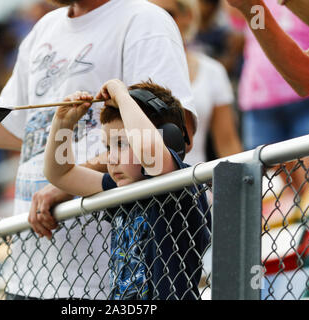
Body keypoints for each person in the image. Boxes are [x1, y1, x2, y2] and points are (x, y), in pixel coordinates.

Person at [0, 0, 198, 299]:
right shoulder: (43, 29)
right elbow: (12, 126)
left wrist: (69, 183)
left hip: (105, 280)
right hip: (29, 269)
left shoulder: (144, 20)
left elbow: (173, 134)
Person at [42, 79, 210, 299]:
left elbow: (151, 153)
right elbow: (59, 174)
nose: (110, 158)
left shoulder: (178, 182)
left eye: (122, 143)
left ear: (168, 139)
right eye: (108, 146)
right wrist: (62, 124)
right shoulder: (122, 189)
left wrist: (122, 95)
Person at [226, 0, 309, 248]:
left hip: (307, 110)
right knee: (277, 199)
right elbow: (307, 75)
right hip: (260, 101)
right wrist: (251, 7)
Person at [150, 0, 242, 165]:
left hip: (198, 185)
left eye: (168, 14)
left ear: (188, 16)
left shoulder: (212, 71)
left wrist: (243, 186)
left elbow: (228, 145)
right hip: (143, 188)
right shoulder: (129, 71)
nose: (159, 23)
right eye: (150, 16)